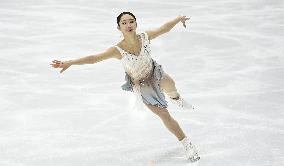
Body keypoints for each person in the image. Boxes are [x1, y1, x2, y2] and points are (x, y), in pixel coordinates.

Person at [50, 12, 200, 162]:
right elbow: (94, 59)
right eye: (124, 23)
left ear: (136, 24)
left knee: (171, 85)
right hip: (142, 86)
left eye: (131, 21)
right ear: (118, 27)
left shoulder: (145, 36)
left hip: (154, 72)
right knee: (164, 115)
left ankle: (176, 99)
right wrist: (70, 62)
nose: (128, 25)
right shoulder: (117, 50)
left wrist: (178, 19)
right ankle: (187, 144)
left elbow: (164, 28)